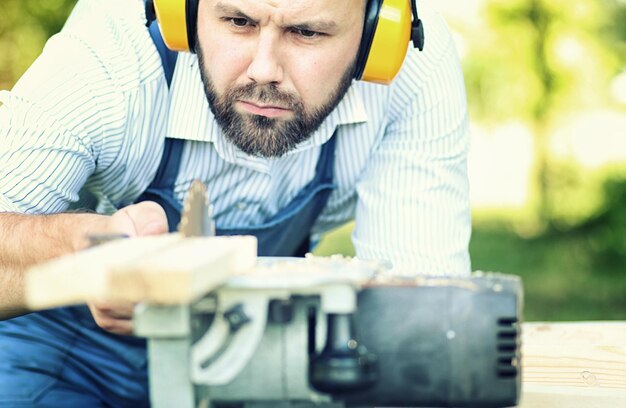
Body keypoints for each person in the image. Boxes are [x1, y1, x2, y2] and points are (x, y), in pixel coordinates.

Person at [0, 0, 471, 405]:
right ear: (182, 13)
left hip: (243, 356)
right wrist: (78, 250)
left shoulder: (415, 66)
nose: (264, 69)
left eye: (306, 32)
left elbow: (421, 327)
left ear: (375, 39)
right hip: (53, 357)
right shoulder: (107, 56)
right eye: (238, 22)